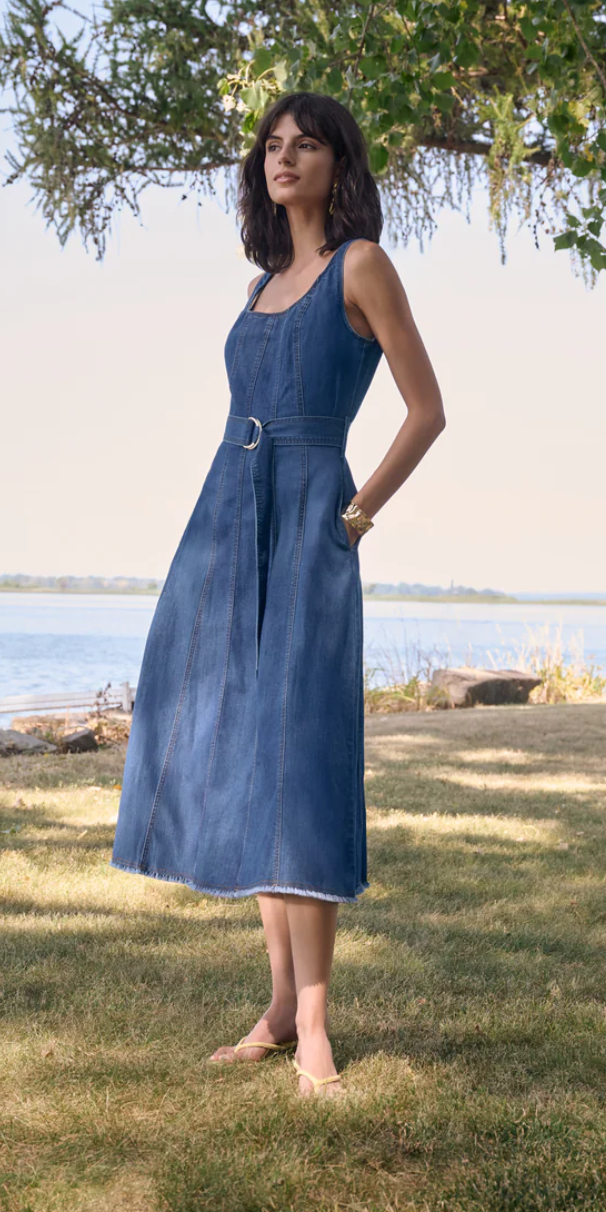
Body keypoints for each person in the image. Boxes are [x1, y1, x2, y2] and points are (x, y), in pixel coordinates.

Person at [112, 92, 446, 1096]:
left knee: (299, 766)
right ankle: (274, 1008)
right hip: (225, 523)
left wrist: (357, 514)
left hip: (307, 523)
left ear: (339, 162)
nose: (283, 157)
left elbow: (427, 411)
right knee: (250, 763)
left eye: (304, 144)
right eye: (271, 145)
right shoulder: (261, 282)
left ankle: (315, 1033)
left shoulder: (362, 267)